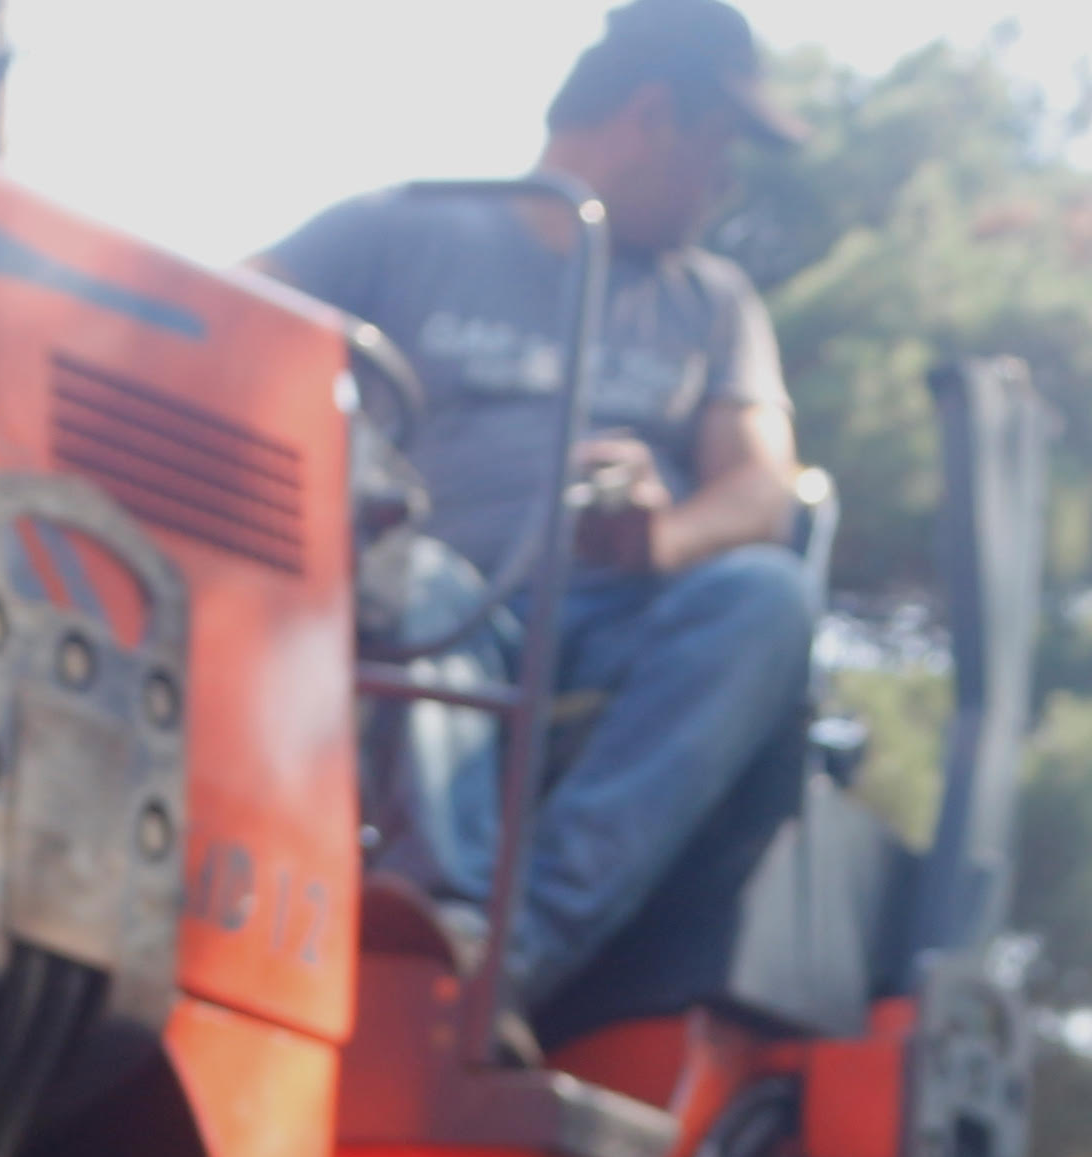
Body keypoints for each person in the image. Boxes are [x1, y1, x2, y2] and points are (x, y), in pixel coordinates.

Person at [261, 0, 821, 1022]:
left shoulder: (713, 302)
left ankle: (501, 957)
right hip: (431, 600)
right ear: (653, 116)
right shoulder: (402, 227)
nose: (724, 189)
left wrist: (663, 532)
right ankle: (448, 908)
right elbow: (214, 322)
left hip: (618, 626)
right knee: (416, 578)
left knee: (768, 596)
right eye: (721, 153)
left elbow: (761, 492)